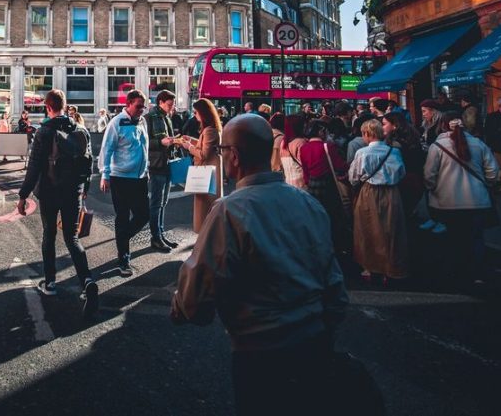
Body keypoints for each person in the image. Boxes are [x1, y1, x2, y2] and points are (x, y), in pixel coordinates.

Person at [171, 114, 351, 416]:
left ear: (235, 157)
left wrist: (181, 309)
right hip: (315, 342)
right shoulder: (308, 204)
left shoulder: (230, 210)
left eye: (224, 151)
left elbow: (196, 290)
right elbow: (334, 282)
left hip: (261, 350)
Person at [16, 89, 98, 312]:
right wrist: (85, 189)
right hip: (73, 191)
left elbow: (34, 167)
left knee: (49, 234)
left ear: (48, 107)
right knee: (72, 237)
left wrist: (23, 196)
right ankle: (87, 281)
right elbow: (88, 163)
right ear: (64, 105)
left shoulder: (44, 131)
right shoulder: (80, 129)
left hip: (50, 192)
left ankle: (50, 282)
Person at [424, 112, 499, 286]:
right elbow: (493, 172)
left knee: (453, 239)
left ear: (442, 125)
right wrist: (486, 184)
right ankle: (477, 273)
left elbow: (429, 176)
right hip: (478, 200)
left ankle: (455, 274)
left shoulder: (437, 146)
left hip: (447, 202)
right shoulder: (478, 144)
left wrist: (434, 189)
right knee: (476, 239)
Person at [348, 120, 408, 282]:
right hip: (392, 192)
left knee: (368, 229)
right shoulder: (394, 152)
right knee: (391, 230)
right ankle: (391, 267)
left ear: (368, 134)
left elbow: (353, 177)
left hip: (369, 192)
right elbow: (401, 173)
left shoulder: (362, 153)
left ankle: (371, 266)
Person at [98, 89, 150, 277]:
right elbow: (107, 149)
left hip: (140, 177)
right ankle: (123, 258)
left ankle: (122, 238)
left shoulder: (141, 121)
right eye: (138, 106)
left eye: (143, 107)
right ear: (128, 104)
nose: (141, 110)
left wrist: (147, 169)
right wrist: (105, 175)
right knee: (122, 216)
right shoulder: (116, 123)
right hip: (120, 178)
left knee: (143, 215)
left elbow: (145, 146)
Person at [298, 120, 350, 252]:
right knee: (332, 214)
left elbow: (305, 171)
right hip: (328, 184)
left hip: (313, 184)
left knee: (316, 215)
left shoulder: (303, 148)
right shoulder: (328, 146)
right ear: (320, 131)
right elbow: (339, 165)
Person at [177, 97, 223, 233]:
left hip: (207, 173)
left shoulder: (209, 130)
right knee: (207, 207)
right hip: (210, 171)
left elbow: (204, 154)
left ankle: (206, 238)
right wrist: (190, 139)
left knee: (205, 208)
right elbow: (205, 145)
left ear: (203, 113)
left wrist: (188, 146)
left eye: (196, 112)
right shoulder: (211, 129)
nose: (194, 115)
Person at [146, 90, 179, 252]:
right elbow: (145, 142)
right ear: (160, 102)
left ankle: (160, 233)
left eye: (172, 105)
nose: (171, 108)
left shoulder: (166, 117)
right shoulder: (150, 117)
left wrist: (175, 140)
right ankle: (156, 237)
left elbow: (166, 138)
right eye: (169, 105)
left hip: (167, 162)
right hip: (156, 164)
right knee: (156, 203)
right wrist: (161, 142)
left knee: (163, 202)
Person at [280, 113, 307, 189]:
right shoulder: (301, 142)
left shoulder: (283, 143)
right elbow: (305, 164)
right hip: (301, 184)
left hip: (288, 183)